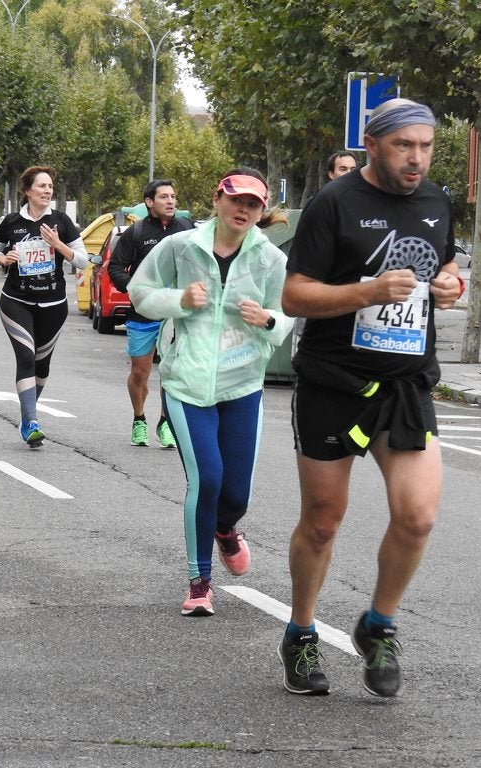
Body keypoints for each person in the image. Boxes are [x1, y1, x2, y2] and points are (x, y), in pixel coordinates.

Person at [278, 99, 463, 698]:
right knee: (324, 521)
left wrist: (451, 284)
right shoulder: (334, 204)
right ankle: (301, 633)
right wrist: (366, 291)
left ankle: (378, 625)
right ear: (373, 144)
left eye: (426, 147)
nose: (417, 158)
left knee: (419, 516)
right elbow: (295, 296)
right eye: (404, 146)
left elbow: (448, 269)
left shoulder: (436, 202)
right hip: (334, 380)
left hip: (405, 383)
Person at [128, 168, 292, 616]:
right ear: (218, 199)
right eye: (236, 200)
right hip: (187, 383)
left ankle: (226, 529)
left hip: (243, 384)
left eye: (253, 204)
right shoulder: (179, 247)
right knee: (208, 480)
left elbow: (287, 316)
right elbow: (140, 292)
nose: (243, 210)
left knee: (237, 495)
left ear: (260, 213)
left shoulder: (270, 261)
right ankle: (200, 581)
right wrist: (179, 299)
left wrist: (269, 321)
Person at [0, 166, 88, 447]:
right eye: (41, 186)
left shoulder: (61, 221)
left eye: (50, 186)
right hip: (17, 301)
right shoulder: (12, 221)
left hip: (54, 304)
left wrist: (58, 244)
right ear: (27, 190)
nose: (47, 191)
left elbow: (82, 260)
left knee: (42, 365)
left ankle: (27, 412)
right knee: (26, 358)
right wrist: (2, 259)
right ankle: (31, 421)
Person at [108, 179, 194, 449]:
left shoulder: (187, 230)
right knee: (140, 373)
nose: (171, 201)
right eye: (164, 197)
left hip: (176, 315)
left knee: (172, 373)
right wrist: (135, 289)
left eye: (173, 196)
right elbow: (116, 268)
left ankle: (165, 423)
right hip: (143, 314)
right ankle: (139, 419)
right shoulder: (136, 232)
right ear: (149, 202)